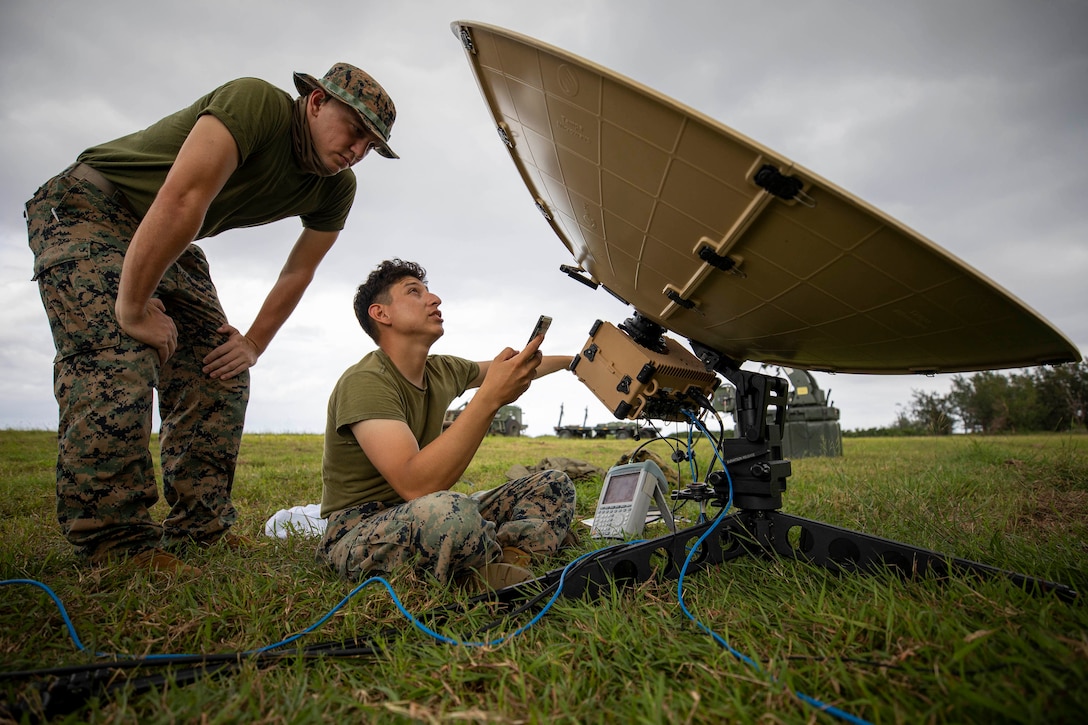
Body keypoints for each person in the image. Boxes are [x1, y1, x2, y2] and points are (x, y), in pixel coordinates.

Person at [25, 62, 399, 575]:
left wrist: (253, 343)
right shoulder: (257, 104)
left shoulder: (336, 188)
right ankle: (114, 543)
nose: (357, 151)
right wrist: (132, 309)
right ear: (315, 103)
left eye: (370, 147)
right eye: (355, 131)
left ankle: (199, 532)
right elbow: (183, 198)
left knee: (220, 368)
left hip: (173, 235)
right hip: (91, 206)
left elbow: (299, 270)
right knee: (119, 354)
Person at [319, 259, 576, 589]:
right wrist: (489, 399)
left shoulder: (441, 370)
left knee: (552, 484)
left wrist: (574, 361)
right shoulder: (365, 381)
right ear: (381, 314)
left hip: (422, 510)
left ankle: (507, 564)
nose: (434, 299)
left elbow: (513, 368)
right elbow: (416, 485)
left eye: (428, 291)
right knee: (450, 512)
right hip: (359, 528)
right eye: (415, 292)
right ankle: (488, 558)